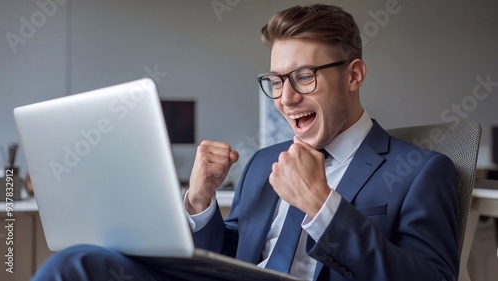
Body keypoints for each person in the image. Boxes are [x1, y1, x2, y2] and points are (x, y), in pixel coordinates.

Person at [32, 4, 459, 281]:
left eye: (304, 77)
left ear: (353, 75)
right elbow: (233, 256)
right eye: (275, 81)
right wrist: (200, 202)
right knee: (79, 264)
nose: (286, 98)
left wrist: (323, 207)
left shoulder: (421, 171)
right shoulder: (264, 162)